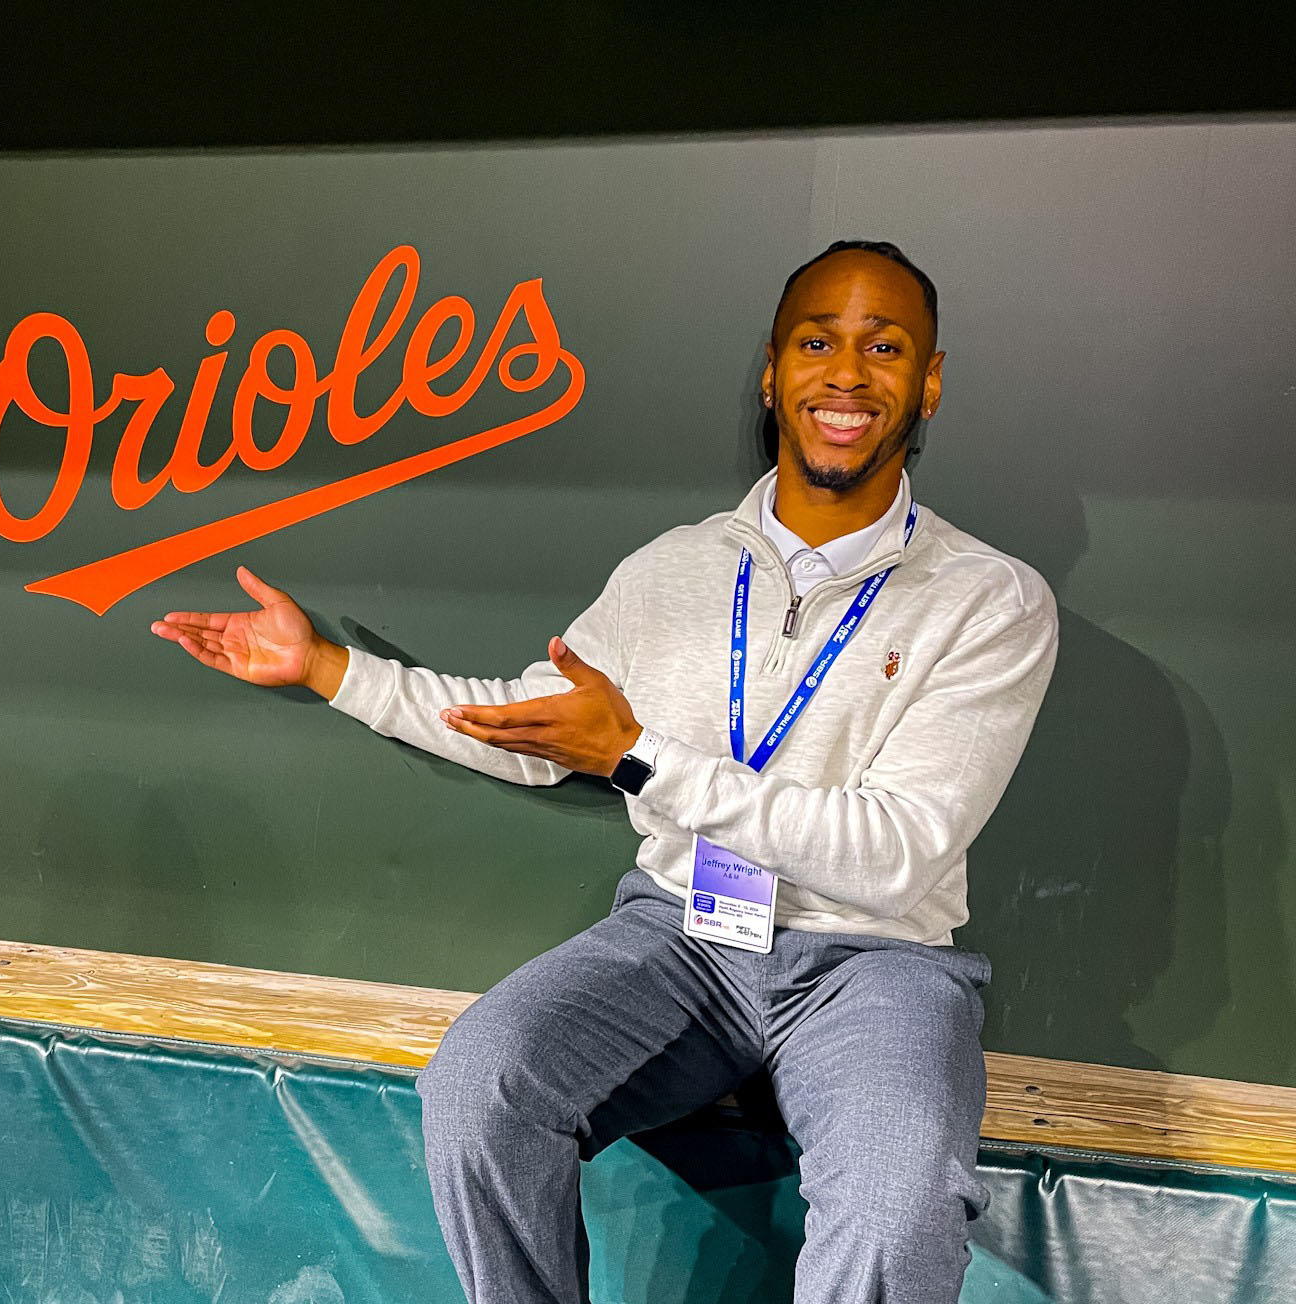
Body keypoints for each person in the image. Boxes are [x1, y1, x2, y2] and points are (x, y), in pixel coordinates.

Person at [151, 240, 1060, 1304]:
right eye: (818, 341)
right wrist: (326, 666)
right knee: (478, 1083)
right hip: (681, 932)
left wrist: (637, 755)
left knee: (899, 1205)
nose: (847, 374)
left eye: (885, 345)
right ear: (772, 370)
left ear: (931, 380)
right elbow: (540, 729)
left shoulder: (991, 600)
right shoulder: (670, 569)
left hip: (874, 963)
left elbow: (899, 852)